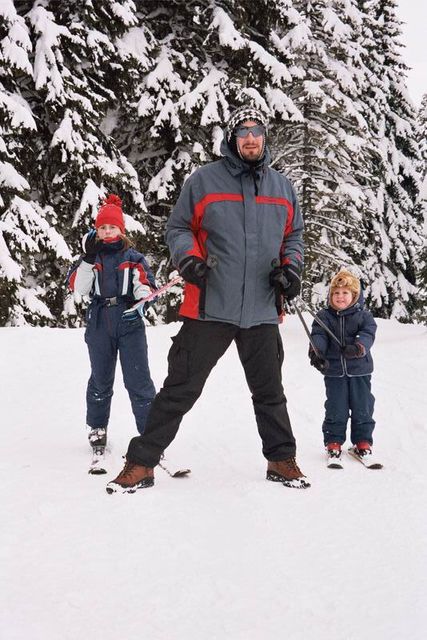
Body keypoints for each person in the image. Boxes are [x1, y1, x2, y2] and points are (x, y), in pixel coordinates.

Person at [106, 105, 310, 493]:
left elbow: (294, 237)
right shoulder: (204, 180)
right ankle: (141, 463)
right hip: (210, 304)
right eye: (243, 132)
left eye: (257, 131)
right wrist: (189, 259)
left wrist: (291, 269)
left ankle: (281, 459)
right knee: (180, 388)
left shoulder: (282, 187)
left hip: (262, 307)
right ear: (232, 138)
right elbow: (179, 228)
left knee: (270, 392)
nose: (250, 138)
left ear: (264, 137)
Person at [68, 194, 156, 468]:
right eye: (102, 227)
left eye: (112, 227)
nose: (107, 231)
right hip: (99, 321)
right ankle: (97, 428)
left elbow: (145, 285)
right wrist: (87, 258)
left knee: (139, 380)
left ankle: (150, 433)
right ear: (96, 231)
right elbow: (79, 288)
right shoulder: (90, 258)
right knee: (100, 378)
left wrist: (142, 300)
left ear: (121, 229)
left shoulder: (133, 257)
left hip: (129, 321)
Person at [308, 270, 378, 468]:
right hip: (334, 371)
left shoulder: (364, 316)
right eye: (336, 293)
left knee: (363, 407)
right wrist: (316, 352)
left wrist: (358, 347)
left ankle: (362, 443)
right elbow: (318, 335)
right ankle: (333, 443)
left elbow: (368, 334)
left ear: (354, 295)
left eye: (345, 293)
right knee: (336, 407)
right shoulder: (323, 317)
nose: (340, 296)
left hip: (360, 371)